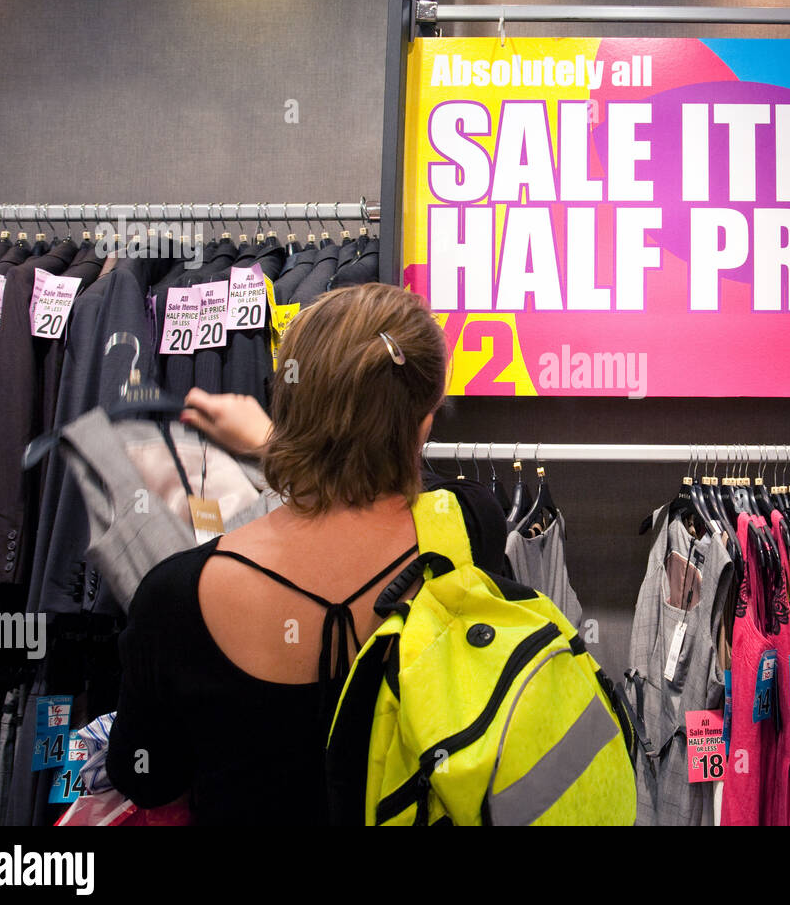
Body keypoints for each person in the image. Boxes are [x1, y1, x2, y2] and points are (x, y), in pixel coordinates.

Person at [105, 283, 506, 825]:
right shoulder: (468, 524)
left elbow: (145, 779)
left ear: (286, 397)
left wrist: (283, 445)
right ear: (426, 420)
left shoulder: (174, 596)